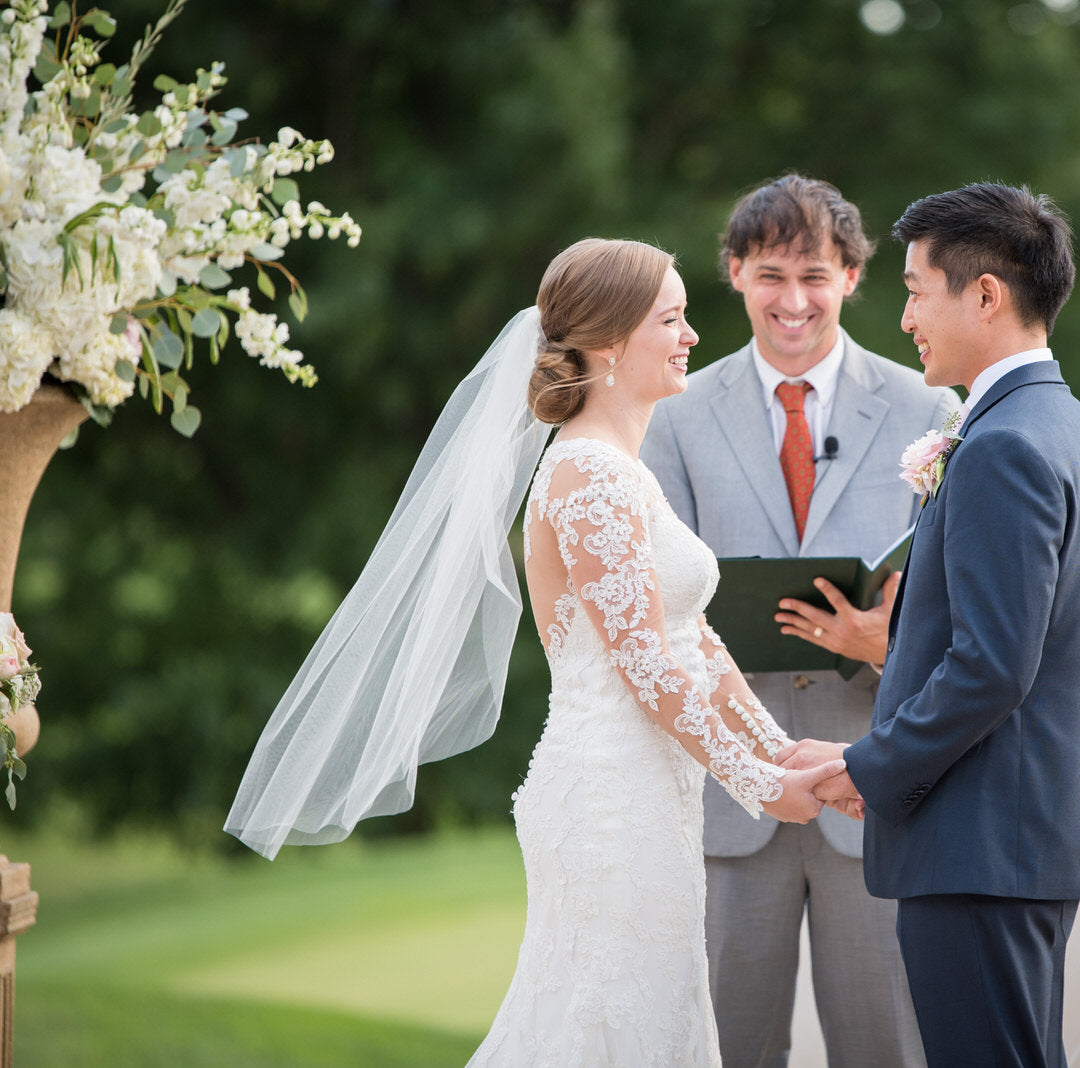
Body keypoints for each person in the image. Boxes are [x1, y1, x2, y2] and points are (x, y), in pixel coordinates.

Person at [226, 238, 845, 1066]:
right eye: (673, 317)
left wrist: (781, 749)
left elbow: (693, 640)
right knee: (598, 1025)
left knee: (653, 1019)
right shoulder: (588, 474)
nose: (694, 334)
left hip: (653, 794)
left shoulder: (625, 469)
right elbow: (646, 667)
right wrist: (762, 785)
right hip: (607, 799)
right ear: (611, 343)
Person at [779, 184, 1080, 1067]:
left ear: (985, 295)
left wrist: (865, 764)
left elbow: (991, 669)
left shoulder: (1006, 444)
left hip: (983, 852)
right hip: (1006, 842)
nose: (903, 318)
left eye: (915, 289)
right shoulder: (1053, 422)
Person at [641, 176, 955, 1066]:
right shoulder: (675, 411)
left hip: (876, 791)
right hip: (729, 800)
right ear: (735, 274)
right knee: (729, 1049)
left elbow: (963, 620)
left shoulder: (929, 408)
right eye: (771, 274)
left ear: (854, 277)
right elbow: (660, 611)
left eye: (815, 275)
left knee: (885, 1049)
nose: (793, 300)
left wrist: (882, 648)